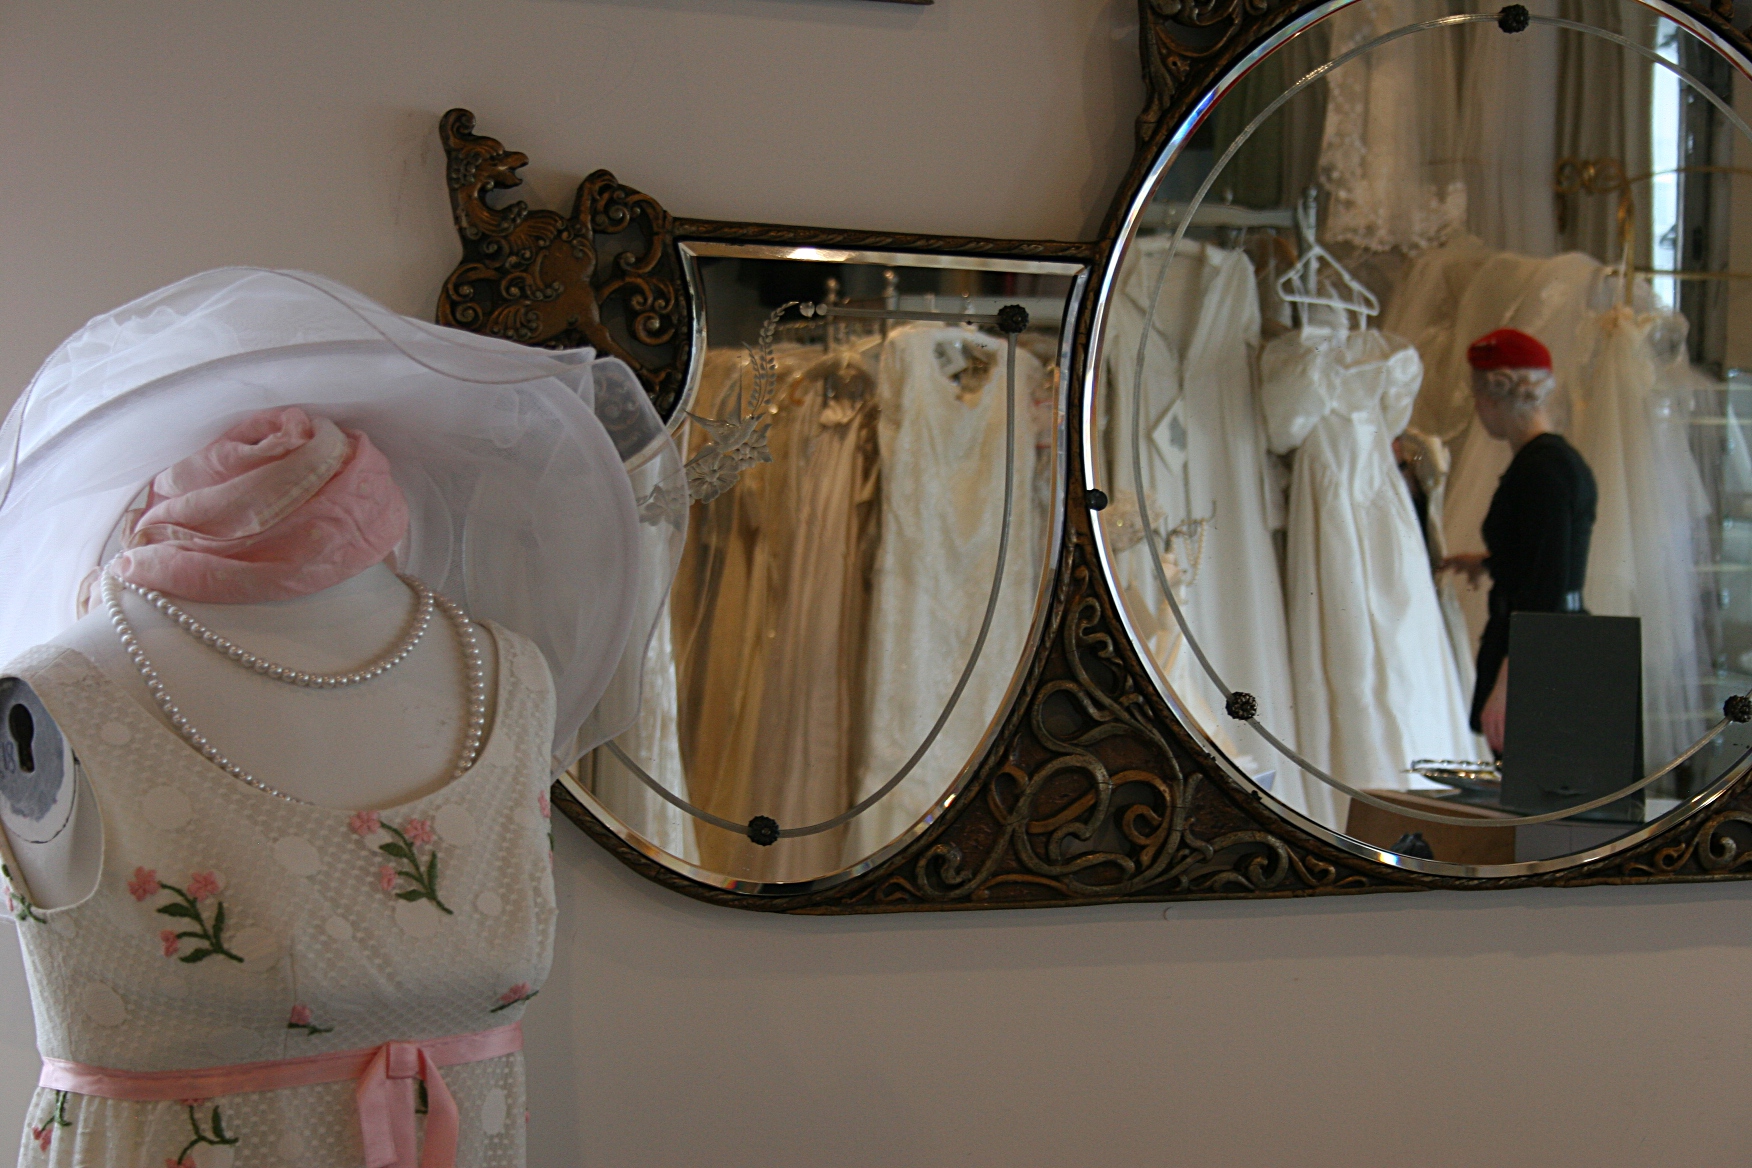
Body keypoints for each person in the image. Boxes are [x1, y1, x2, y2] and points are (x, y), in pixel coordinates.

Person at [1441, 328, 1597, 755]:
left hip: (1539, 656)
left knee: (1528, 787)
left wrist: (1508, 686)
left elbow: (1544, 588)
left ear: (1493, 396)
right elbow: (1543, 556)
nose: (1477, 408)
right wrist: (1491, 561)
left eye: (1476, 396)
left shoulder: (1543, 471)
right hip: (1548, 644)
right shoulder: (1548, 461)